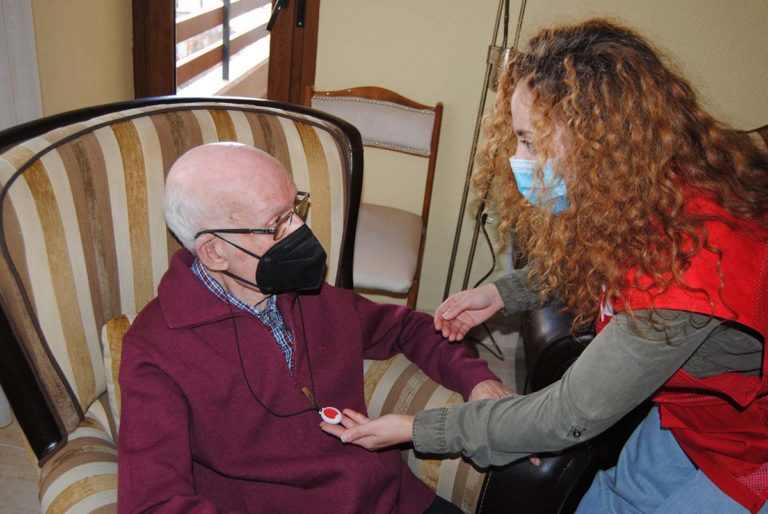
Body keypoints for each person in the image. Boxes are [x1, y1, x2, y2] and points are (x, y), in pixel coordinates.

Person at [321, 19, 768, 514]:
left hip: (753, 452)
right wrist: (503, 293)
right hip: (691, 417)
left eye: (531, 141)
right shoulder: (650, 184)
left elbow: (569, 413)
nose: (518, 159)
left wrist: (416, 429)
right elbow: (606, 263)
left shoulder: (691, 261)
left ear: (605, 142)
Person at [117, 142, 510, 513]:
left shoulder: (307, 293)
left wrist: (475, 381)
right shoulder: (156, 351)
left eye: (296, 206)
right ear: (215, 252)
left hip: (394, 500)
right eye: (277, 223)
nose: (301, 229)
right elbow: (153, 503)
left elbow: (407, 327)